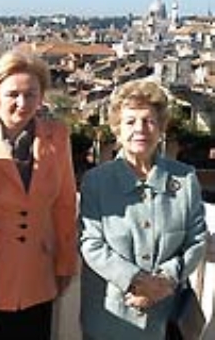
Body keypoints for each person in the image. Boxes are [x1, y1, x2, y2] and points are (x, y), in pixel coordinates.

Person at [79, 79, 207, 340]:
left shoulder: (184, 179)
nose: (140, 129)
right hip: (109, 320)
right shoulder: (96, 181)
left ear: (161, 129)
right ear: (117, 129)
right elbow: (91, 242)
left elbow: (196, 239)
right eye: (130, 122)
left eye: (149, 121)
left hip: (166, 317)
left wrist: (165, 282)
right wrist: (137, 280)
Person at [0, 50, 78, 340]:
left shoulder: (58, 136)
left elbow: (65, 204)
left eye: (31, 94)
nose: (22, 103)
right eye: (13, 94)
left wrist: (66, 262)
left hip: (37, 276)